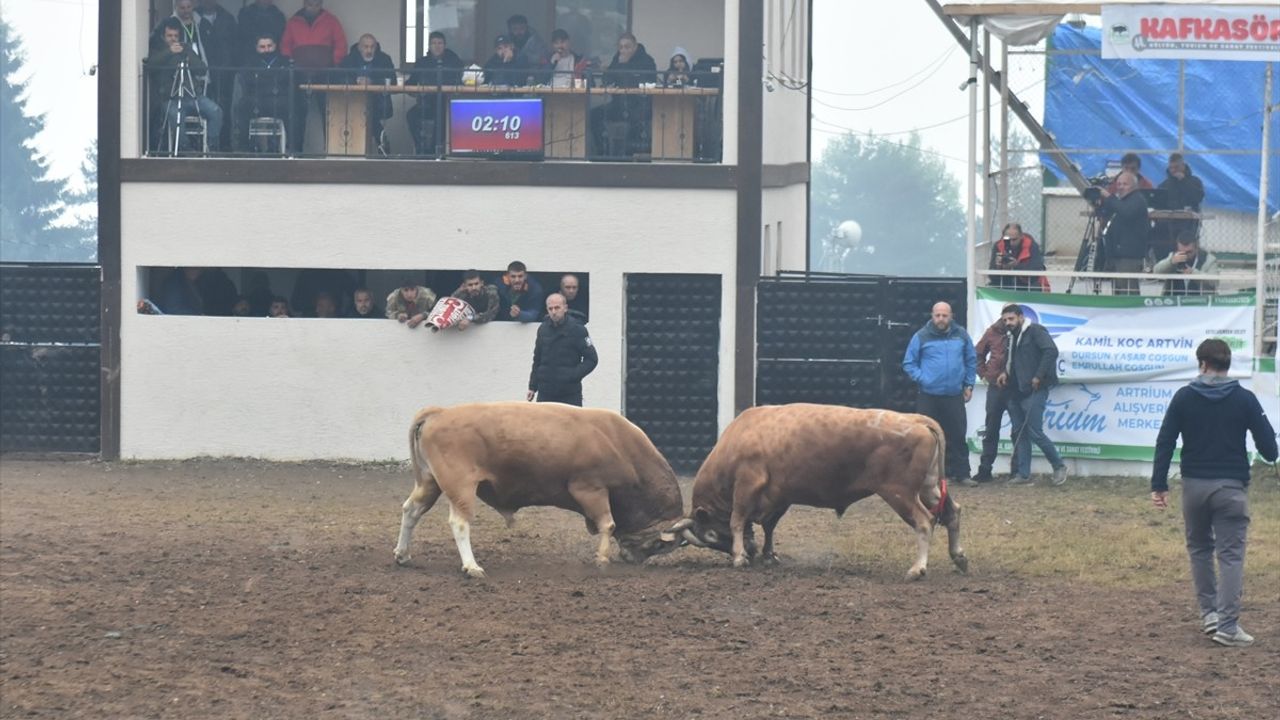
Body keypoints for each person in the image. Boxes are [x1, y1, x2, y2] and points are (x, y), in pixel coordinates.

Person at [1151, 339, 1277, 648]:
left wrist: (1159, 485)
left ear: (1202, 364)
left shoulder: (1183, 398)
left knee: (1200, 550)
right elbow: (1271, 451)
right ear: (1228, 364)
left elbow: (1165, 441)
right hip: (1231, 487)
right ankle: (1228, 625)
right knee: (1231, 555)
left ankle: (1208, 614)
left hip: (1194, 486)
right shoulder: (1244, 399)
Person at [901, 301, 976, 485]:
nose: (941, 319)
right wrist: (924, 378)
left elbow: (971, 359)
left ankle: (963, 474)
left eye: (944, 315)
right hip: (929, 395)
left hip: (953, 395)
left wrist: (968, 384)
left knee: (958, 434)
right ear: (932, 315)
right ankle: (934, 476)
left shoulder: (961, 335)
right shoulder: (921, 336)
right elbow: (908, 363)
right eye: (937, 315)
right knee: (928, 437)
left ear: (951, 316)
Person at [998, 303, 1068, 486]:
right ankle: (1023, 474)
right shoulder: (1011, 337)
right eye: (1005, 320)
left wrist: (1039, 375)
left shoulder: (1035, 331)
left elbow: (1051, 351)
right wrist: (1005, 372)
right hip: (1015, 390)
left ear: (1021, 317)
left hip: (1034, 389)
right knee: (1019, 433)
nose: (1008, 323)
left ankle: (1059, 466)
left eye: (1011, 319)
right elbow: (1014, 361)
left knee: (1035, 432)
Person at [146, 19, 224, 153]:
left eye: (175, 36)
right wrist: (169, 52)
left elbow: (201, 69)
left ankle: (211, 146)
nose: (173, 39)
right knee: (176, 115)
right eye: (169, 36)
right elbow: (151, 65)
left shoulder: (186, 48)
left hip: (192, 96)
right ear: (163, 36)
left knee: (216, 111)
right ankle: (184, 149)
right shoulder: (157, 50)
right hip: (170, 98)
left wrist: (186, 53)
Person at [281, 0, 347, 153]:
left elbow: (341, 45)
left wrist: (332, 65)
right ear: (304, 4)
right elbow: (285, 46)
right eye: (311, 4)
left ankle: (331, 150)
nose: (314, 7)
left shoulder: (331, 21)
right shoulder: (293, 22)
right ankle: (296, 152)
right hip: (299, 75)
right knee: (298, 114)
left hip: (325, 75)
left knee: (328, 113)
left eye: (317, 4)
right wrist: (291, 65)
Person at [527, 293, 598, 406]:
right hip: (545, 393)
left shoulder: (578, 330)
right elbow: (537, 360)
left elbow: (592, 359)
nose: (554, 312)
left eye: (557, 308)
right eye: (550, 309)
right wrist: (532, 387)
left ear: (565, 308)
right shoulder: (542, 329)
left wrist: (572, 375)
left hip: (569, 394)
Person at [593, 33, 657, 157]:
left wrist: (624, 65)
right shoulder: (618, 58)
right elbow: (608, 77)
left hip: (640, 105)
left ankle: (628, 157)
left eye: (627, 47)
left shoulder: (646, 60)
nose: (623, 50)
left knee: (632, 124)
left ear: (635, 47)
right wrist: (607, 80)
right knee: (595, 115)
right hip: (618, 104)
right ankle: (602, 151)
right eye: (621, 47)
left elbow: (645, 80)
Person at [406, 31, 464, 155]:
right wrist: (414, 91)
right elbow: (411, 82)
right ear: (429, 46)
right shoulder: (422, 62)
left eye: (440, 43)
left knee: (442, 117)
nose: (437, 46)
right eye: (434, 43)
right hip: (425, 103)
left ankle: (433, 150)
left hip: (446, 103)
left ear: (445, 45)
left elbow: (461, 80)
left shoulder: (453, 61)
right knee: (411, 116)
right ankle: (420, 148)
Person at [233, 33, 293, 153]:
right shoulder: (250, 62)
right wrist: (271, 79)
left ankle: (290, 149)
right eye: (262, 47)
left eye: (269, 46)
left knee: (292, 108)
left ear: (275, 46)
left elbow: (285, 80)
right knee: (242, 106)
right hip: (256, 102)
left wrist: (262, 78)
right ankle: (243, 148)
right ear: (256, 48)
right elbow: (247, 81)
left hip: (278, 102)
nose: (266, 50)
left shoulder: (284, 62)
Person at [972, 317, 1013, 485]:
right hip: (995, 387)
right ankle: (985, 469)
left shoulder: (1022, 333)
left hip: (1015, 388)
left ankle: (1017, 471)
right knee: (991, 429)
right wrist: (984, 374)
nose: (1009, 321)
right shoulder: (992, 332)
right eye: (1006, 318)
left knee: (1018, 429)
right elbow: (977, 353)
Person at [337, 34, 395, 153]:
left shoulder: (384, 59)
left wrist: (372, 82)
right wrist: (356, 81)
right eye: (366, 47)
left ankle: (378, 145)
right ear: (359, 47)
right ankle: (381, 143)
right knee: (365, 113)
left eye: (372, 47)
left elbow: (392, 80)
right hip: (353, 100)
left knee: (369, 113)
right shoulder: (349, 60)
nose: (369, 50)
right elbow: (339, 78)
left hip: (379, 100)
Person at [1098, 170, 1150, 296]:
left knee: (1128, 291)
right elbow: (1106, 214)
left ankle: (1133, 314)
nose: (1120, 187)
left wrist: (1109, 197)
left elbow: (1127, 213)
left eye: (1125, 184)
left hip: (1129, 256)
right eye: (1119, 184)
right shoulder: (1120, 201)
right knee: (1119, 291)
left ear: (1134, 186)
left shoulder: (1137, 200)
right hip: (1117, 253)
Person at [1154, 153, 1206, 256]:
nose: (1173, 171)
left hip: (1188, 224)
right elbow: (1158, 204)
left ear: (1183, 166)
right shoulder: (1164, 185)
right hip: (1167, 223)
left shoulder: (1195, 182)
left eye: (1176, 167)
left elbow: (1197, 198)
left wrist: (1184, 181)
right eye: (1171, 168)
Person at [1153, 233, 1219, 297]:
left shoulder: (1209, 259)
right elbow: (1156, 271)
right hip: (1174, 299)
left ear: (1197, 248)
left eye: (1189, 252)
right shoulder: (1174, 257)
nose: (1185, 255)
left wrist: (1193, 273)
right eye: (1182, 252)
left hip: (1201, 300)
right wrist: (1171, 263)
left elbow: (1214, 282)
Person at [988, 223, 1049, 292]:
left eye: (1014, 240)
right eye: (1007, 240)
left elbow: (1036, 271)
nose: (1011, 243)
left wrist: (1016, 265)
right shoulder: (998, 246)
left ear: (1021, 236)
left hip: (1026, 284)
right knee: (991, 287)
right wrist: (998, 267)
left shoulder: (1032, 246)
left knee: (1035, 287)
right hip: (1005, 282)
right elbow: (991, 276)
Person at [236, 0, 286, 65]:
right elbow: (243, 38)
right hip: (250, 59)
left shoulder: (278, 15)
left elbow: (279, 38)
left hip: (273, 60)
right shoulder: (245, 14)